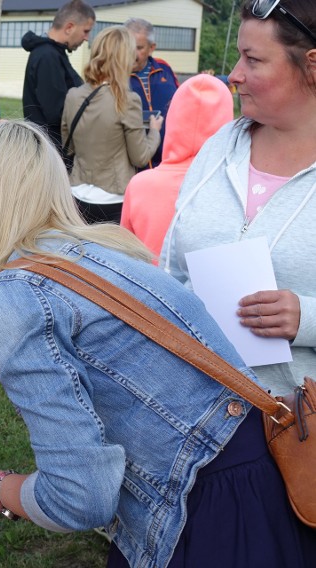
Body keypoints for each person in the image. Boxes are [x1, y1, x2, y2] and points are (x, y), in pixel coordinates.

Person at [0, 119, 316, 568]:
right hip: (257, 478)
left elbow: (80, 496)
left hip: (203, 512)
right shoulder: (100, 251)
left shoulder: (14, 297)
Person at [160, 0, 316, 397]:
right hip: (190, 414)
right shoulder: (219, 148)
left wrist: (308, 318)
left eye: (253, 59)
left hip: (296, 432)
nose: (234, 75)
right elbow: (173, 271)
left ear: (312, 64)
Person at [121, 73, 233, 262]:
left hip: (147, 289)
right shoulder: (236, 188)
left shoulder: (140, 185)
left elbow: (125, 255)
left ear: (173, 117)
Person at [62, 25, 162, 224]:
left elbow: (70, 146)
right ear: (124, 57)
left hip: (76, 195)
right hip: (113, 200)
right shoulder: (127, 100)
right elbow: (140, 157)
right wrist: (154, 132)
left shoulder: (73, 95)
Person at [21, 0, 95, 150]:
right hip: (50, 150)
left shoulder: (54, 53)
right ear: (69, 27)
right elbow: (57, 112)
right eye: (86, 31)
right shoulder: (47, 56)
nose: (86, 38)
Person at [125, 17, 180, 170]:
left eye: (139, 48)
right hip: (133, 165)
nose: (132, 53)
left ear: (151, 47)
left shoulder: (164, 69)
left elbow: (179, 104)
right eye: (128, 47)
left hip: (166, 162)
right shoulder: (115, 76)